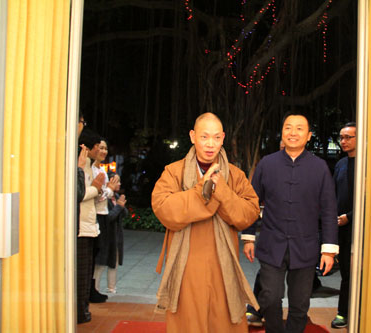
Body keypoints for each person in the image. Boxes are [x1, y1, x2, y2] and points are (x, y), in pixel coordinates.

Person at [151, 112, 260, 332]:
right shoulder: (174, 172)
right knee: (188, 323)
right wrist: (202, 192)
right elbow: (163, 209)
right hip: (186, 266)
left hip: (223, 264)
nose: (210, 144)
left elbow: (249, 213)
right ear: (192, 137)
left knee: (225, 321)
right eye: (204, 137)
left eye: (216, 138)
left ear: (223, 138)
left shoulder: (235, 176)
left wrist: (222, 191)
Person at [242, 111, 339, 333]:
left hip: (305, 248)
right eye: (288, 127)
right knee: (270, 298)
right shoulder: (267, 164)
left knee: (300, 303)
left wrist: (329, 250)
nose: (292, 132)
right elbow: (251, 202)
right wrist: (248, 236)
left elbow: (328, 209)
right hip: (271, 244)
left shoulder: (320, 167)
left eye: (299, 128)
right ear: (282, 132)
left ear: (308, 135)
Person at [77, 128, 105, 324]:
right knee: (81, 274)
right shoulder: (79, 165)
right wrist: (96, 188)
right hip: (81, 227)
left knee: (87, 273)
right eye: (98, 146)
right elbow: (79, 194)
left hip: (90, 225)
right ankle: (79, 311)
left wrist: (102, 190)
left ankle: (83, 309)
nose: (100, 150)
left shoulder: (89, 166)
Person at [331, 122, 356, 329]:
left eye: (349, 137)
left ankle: (351, 311)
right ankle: (343, 312)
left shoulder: (367, 165)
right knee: (346, 272)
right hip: (341, 227)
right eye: (342, 137)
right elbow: (333, 195)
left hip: (360, 226)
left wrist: (350, 216)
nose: (344, 141)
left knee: (360, 272)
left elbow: (370, 200)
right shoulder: (340, 164)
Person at [91, 140, 119, 298]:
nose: (103, 151)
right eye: (100, 147)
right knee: (97, 257)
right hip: (95, 216)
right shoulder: (91, 170)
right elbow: (97, 196)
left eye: (105, 148)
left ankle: (93, 289)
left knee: (99, 254)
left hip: (102, 215)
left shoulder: (101, 169)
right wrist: (109, 190)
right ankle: (91, 289)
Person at [93, 172, 127, 294]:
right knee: (100, 265)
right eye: (116, 181)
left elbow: (124, 214)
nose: (119, 184)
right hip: (106, 236)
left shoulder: (116, 197)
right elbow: (108, 218)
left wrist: (121, 206)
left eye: (119, 181)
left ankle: (111, 288)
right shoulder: (104, 199)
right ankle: (94, 289)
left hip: (116, 237)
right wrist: (118, 207)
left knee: (114, 264)